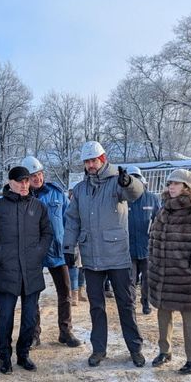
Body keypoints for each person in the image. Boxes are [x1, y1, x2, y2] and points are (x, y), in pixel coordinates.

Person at [63, 141, 146, 367]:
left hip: (117, 255)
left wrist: (128, 182)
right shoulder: (80, 190)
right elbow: (72, 220)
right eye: (87, 161)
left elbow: (136, 193)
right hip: (91, 257)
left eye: (94, 160)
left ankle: (135, 348)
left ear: (103, 158)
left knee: (126, 303)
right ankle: (99, 349)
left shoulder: (117, 182)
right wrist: (69, 247)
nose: (91, 165)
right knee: (96, 306)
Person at [0, 166, 53, 374]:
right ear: (10, 182)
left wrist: (39, 253)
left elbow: (47, 234)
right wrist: (0, 255)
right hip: (7, 270)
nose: (24, 185)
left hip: (31, 271)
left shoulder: (38, 207)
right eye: (19, 181)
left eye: (26, 181)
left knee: (29, 317)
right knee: (6, 317)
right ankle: (5, 357)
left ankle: (23, 354)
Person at [148, 169, 191, 374]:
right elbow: (153, 238)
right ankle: (165, 351)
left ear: (187, 187)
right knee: (163, 314)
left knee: (190, 317)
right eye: (169, 183)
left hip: (186, 276)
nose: (171, 187)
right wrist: (153, 264)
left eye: (176, 183)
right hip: (162, 274)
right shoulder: (164, 209)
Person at [21, 156, 81, 348]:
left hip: (58, 252)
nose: (37, 178)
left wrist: (71, 246)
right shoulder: (23, 197)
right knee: (32, 295)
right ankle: (34, 334)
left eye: (39, 174)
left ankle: (65, 331)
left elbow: (69, 220)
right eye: (32, 176)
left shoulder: (56, 194)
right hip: (34, 253)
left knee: (65, 292)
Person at [126, 166, 160, 315]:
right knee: (130, 280)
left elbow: (159, 221)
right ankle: (131, 303)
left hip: (147, 247)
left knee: (147, 279)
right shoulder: (123, 199)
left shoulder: (152, 199)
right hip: (128, 248)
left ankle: (146, 301)